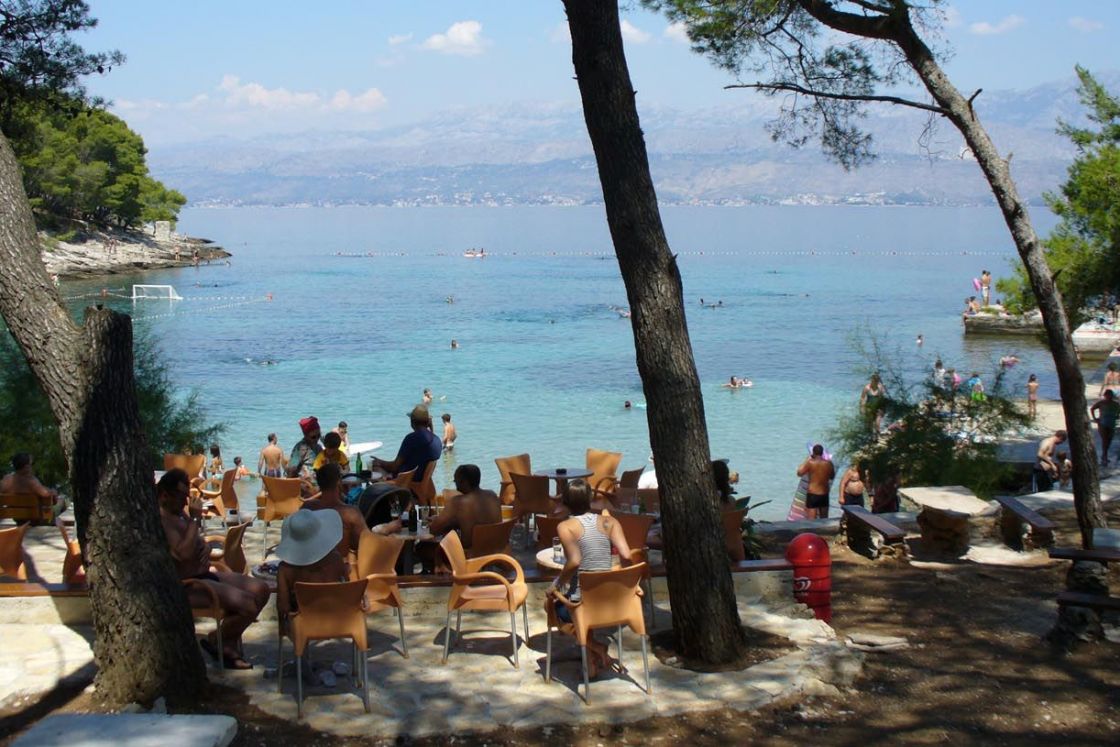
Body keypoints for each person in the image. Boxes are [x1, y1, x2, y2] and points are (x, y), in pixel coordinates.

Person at [157, 469, 269, 670]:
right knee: (248, 604)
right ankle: (218, 641)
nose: (186, 501)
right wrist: (195, 519)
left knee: (261, 589)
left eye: (187, 496)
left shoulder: (178, 513)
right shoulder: (162, 520)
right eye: (182, 496)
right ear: (165, 495)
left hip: (204, 574)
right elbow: (182, 554)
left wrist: (206, 547)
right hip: (188, 585)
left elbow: (195, 541)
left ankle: (224, 641)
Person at [547, 480, 633, 679]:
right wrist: (627, 583)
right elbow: (627, 556)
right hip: (611, 601)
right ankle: (590, 660)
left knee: (550, 605)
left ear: (565, 502)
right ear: (590, 499)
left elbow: (574, 561)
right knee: (578, 600)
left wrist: (556, 585)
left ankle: (593, 646)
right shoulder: (609, 522)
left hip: (583, 604)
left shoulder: (565, 526)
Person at [274, 509, 349, 628]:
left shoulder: (285, 569)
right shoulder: (336, 559)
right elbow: (346, 586)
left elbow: (283, 606)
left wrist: (283, 625)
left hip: (304, 624)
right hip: (335, 618)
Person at [427, 464, 501, 553]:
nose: (455, 484)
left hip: (470, 554)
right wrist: (455, 522)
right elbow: (478, 522)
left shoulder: (458, 502)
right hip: (496, 550)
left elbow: (434, 530)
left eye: (455, 481)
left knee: (422, 547)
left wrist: (439, 521)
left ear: (463, 481)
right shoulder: (492, 495)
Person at [301, 463, 366, 556]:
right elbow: (365, 543)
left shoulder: (307, 507)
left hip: (312, 560)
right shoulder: (350, 513)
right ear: (338, 483)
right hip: (338, 563)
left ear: (319, 483)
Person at [371, 405, 443, 487]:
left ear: (412, 422)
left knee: (375, 467)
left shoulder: (411, 439)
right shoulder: (437, 440)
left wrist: (379, 462)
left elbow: (394, 467)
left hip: (405, 483)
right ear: (427, 422)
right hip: (421, 482)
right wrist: (431, 427)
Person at [0, 453, 65, 517]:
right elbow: (46, 494)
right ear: (26, 467)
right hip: (36, 517)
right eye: (32, 464)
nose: (32, 467)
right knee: (62, 501)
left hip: (16, 516)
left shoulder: (6, 480)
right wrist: (53, 491)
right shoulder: (31, 481)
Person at [796, 444, 835, 519]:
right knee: (824, 519)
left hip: (813, 494)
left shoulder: (810, 463)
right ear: (822, 453)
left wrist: (807, 460)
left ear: (813, 453)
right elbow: (832, 476)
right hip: (824, 493)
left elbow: (799, 473)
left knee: (812, 521)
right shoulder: (829, 463)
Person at [1090, 390, 1120, 467]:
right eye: (1107, 395)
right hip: (1102, 424)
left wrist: (1117, 416)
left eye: (1110, 395)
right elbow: (1092, 408)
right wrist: (1095, 418)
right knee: (1104, 440)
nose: (1109, 397)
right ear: (1105, 396)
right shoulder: (1101, 403)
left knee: (1109, 440)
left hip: (1112, 424)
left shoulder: (1116, 404)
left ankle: (1104, 455)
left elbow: (1118, 413)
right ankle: (1104, 456)